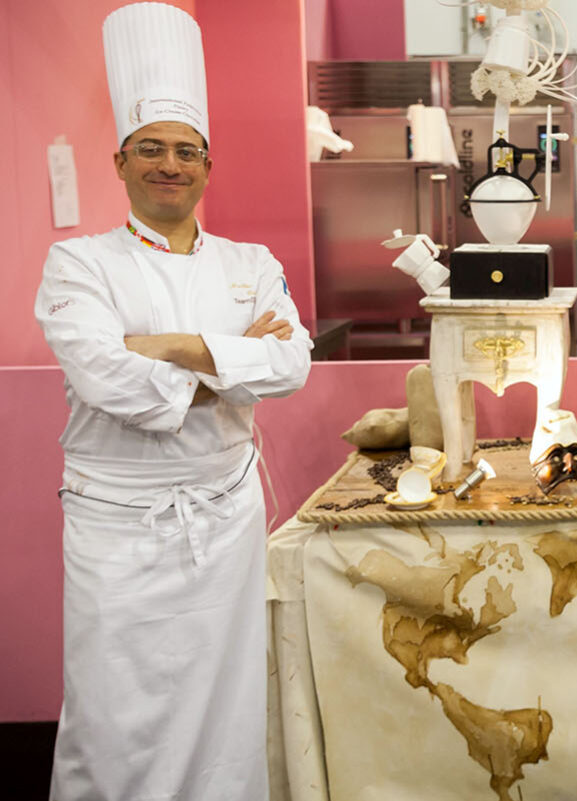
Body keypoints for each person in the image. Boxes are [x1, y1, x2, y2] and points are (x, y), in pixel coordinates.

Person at [33, 4, 311, 798]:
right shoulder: (78, 264)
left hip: (225, 516)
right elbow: (105, 378)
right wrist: (230, 358)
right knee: (113, 702)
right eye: (151, 148)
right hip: (117, 521)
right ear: (120, 161)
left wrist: (172, 347)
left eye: (187, 150)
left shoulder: (250, 262)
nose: (170, 164)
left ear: (207, 166)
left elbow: (290, 363)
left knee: (228, 697)